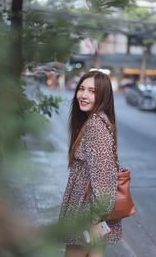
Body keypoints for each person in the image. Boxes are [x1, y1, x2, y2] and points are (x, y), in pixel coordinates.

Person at [59, 70, 122, 257]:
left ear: (103, 96)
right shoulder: (96, 121)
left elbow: (103, 177)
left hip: (87, 213)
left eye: (92, 91)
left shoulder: (95, 125)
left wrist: (95, 221)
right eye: (81, 89)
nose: (84, 95)